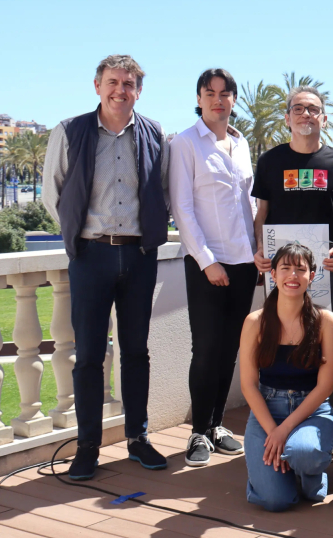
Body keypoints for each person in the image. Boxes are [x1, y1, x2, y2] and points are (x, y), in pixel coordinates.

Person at [41, 54, 170, 480]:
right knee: (89, 357)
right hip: (90, 255)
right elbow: (52, 194)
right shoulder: (70, 131)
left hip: (138, 255)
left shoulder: (154, 134)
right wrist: (78, 234)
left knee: (136, 352)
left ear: (139, 90)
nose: (120, 90)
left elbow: (163, 191)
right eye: (113, 81)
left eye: (129, 83)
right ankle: (87, 447)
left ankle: (138, 438)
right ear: (97, 85)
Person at [252, 84, 333, 455]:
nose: (305, 115)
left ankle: (331, 424)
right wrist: (259, 251)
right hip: (279, 275)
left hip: (326, 271)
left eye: (313, 109)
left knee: (326, 346)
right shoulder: (271, 162)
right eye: (298, 109)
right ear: (287, 116)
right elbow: (262, 214)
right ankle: (273, 422)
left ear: (323, 118)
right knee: (277, 341)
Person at [169, 68, 260, 467]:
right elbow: (182, 208)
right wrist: (207, 262)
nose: (218, 100)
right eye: (210, 93)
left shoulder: (240, 145)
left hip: (244, 263)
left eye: (225, 93)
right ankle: (197, 433)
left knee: (229, 350)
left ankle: (217, 425)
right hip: (208, 264)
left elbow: (250, 205)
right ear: (200, 98)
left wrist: (258, 252)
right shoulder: (185, 143)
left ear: (234, 100)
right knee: (205, 349)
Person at [239, 243, 333, 512]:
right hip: (268, 410)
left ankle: (309, 472)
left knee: (303, 454)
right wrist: (274, 431)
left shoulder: (325, 321)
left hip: (313, 409)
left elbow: (325, 386)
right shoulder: (255, 322)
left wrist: (283, 432)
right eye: (285, 268)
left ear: (313, 275)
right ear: (273, 274)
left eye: (300, 269)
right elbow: (248, 385)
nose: (292, 276)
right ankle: (274, 475)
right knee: (276, 501)